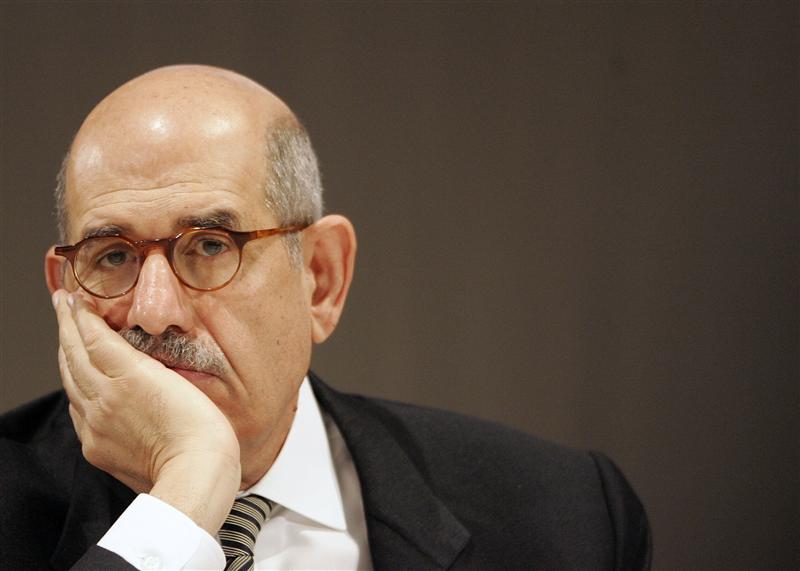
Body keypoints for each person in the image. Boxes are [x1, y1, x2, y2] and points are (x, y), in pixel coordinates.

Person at [0, 65, 651, 570]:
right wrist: (189, 486)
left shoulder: (563, 517)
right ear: (65, 293)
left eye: (210, 246)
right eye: (113, 256)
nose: (153, 311)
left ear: (321, 277)